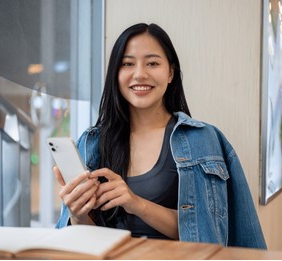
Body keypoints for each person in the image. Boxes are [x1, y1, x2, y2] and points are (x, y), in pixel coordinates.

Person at [55, 23, 267, 249]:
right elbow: (87, 243)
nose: (140, 74)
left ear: (170, 73)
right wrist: (77, 214)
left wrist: (135, 203)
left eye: (152, 63)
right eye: (127, 64)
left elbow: (211, 233)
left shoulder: (204, 140)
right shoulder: (92, 143)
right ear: (116, 74)